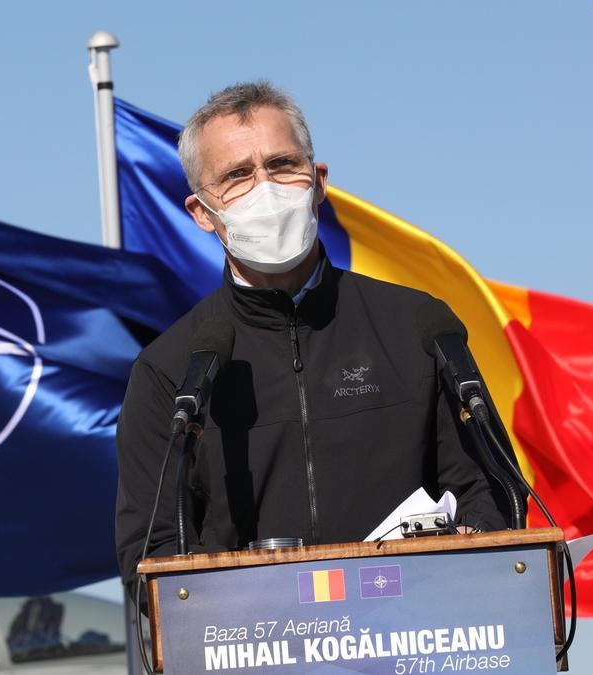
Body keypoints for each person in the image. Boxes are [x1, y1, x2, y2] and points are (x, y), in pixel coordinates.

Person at [114, 81, 507, 584]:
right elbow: (152, 552)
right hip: (259, 648)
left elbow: (490, 490)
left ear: (318, 181)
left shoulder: (417, 326)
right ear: (201, 213)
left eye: (282, 165)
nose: (266, 190)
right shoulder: (171, 371)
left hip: (412, 642)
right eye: (237, 176)